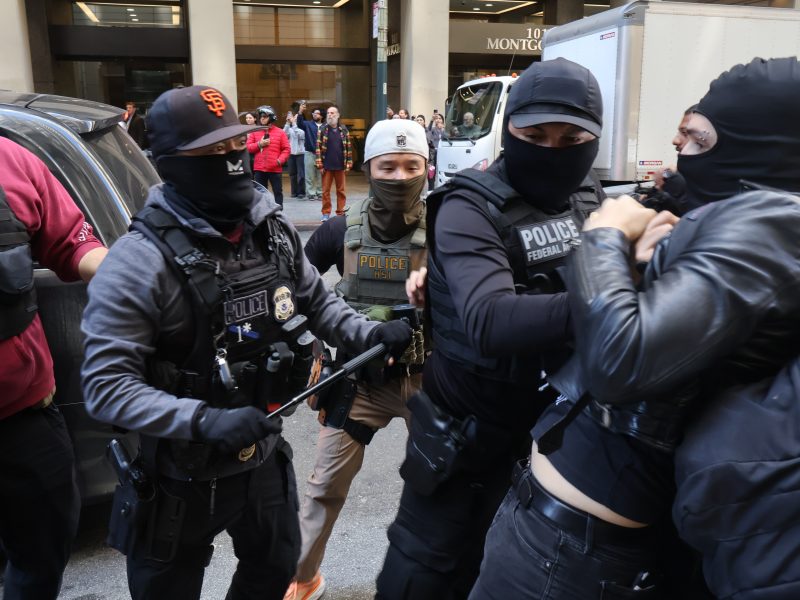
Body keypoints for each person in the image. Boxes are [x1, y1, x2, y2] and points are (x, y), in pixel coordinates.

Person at [470, 56, 800, 600]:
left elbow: (622, 360)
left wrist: (605, 239)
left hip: (574, 543)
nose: (676, 145)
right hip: (583, 529)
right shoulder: (748, 217)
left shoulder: (767, 223)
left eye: (697, 138)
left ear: (757, 144)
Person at [80, 85, 412, 600]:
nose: (232, 161)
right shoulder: (138, 262)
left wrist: (369, 334)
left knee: (277, 567)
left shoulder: (270, 227)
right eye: (211, 154)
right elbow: (106, 388)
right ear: (170, 163)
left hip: (261, 456)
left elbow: (314, 302)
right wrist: (203, 420)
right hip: (180, 474)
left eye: (235, 145)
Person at [375, 57, 606, 599]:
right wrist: (615, 297)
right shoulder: (468, 206)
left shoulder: (588, 195)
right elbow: (490, 320)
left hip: (552, 441)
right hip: (466, 445)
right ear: (510, 131)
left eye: (570, 136)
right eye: (535, 134)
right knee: (422, 579)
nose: (551, 149)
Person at [284, 118, 430, 600]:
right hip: (358, 380)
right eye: (388, 166)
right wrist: (319, 350)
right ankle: (303, 579)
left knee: (441, 487)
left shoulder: (449, 229)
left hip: (429, 381)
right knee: (324, 487)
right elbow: (295, 296)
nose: (400, 176)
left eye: (412, 166)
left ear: (427, 171)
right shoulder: (336, 231)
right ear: (369, 168)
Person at [0, 136, 107, 599]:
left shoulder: (11, 159)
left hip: (24, 415)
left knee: (43, 553)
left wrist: (139, 273)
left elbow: (71, 243)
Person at [315, 105, 353, 222]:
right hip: (327, 167)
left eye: (332, 113)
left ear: (337, 115)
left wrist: (349, 164)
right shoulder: (322, 129)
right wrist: (320, 164)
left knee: (341, 191)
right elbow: (318, 148)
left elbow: (348, 148)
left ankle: (340, 212)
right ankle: (326, 213)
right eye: (328, 113)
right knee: (325, 191)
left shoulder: (344, 130)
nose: (330, 115)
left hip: (340, 166)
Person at [247, 105, 290, 206]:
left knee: (277, 192)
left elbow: (286, 149)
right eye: (261, 116)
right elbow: (248, 147)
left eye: (265, 116)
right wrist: (259, 144)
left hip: (275, 169)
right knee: (260, 194)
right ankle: (264, 215)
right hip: (259, 169)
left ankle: (279, 214)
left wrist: (279, 161)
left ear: (271, 117)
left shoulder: (280, 132)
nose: (262, 118)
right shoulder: (255, 132)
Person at [297, 101, 323, 200]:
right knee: (309, 175)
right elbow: (299, 123)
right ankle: (311, 193)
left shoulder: (325, 126)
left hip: (322, 153)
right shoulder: (308, 124)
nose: (314, 115)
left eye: (317, 113)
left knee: (321, 175)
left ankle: (320, 192)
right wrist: (300, 112)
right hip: (309, 152)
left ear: (321, 115)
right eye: (313, 113)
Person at [284, 111, 306, 199]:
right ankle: (294, 192)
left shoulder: (301, 130)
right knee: (292, 174)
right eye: (293, 118)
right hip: (291, 154)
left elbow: (299, 134)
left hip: (300, 154)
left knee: (301, 174)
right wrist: (287, 123)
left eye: (295, 119)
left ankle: (301, 192)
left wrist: (293, 123)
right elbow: (283, 134)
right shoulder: (289, 129)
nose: (294, 119)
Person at [426, 113, 445, 191]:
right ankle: (431, 189)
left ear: (443, 121)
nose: (438, 120)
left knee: (441, 171)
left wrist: (443, 130)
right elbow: (428, 130)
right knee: (432, 171)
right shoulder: (433, 129)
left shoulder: (445, 130)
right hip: (433, 153)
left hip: (443, 153)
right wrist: (431, 120)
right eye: (437, 118)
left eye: (440, 118)